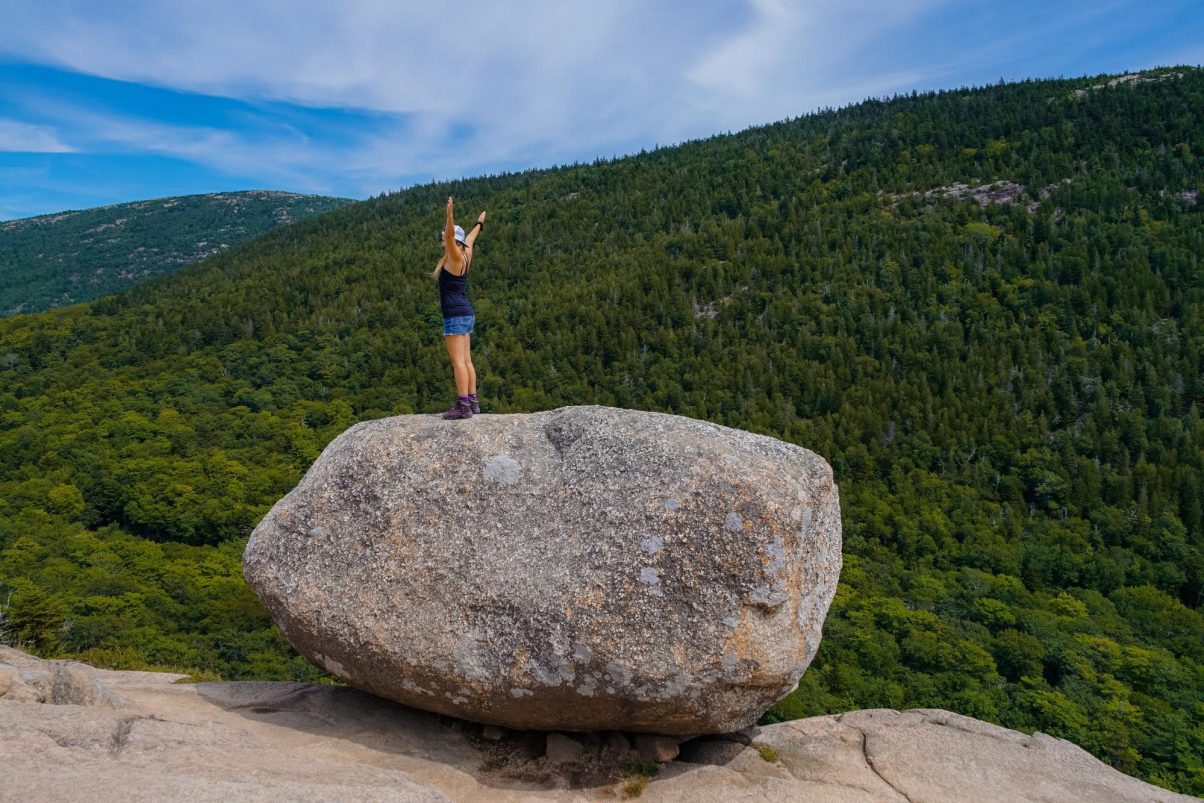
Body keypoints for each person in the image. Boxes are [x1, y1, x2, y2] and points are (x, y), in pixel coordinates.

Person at [432, 196, 486, 419]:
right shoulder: (467, 253)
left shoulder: (454, 257)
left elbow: (450, 235)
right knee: (467, 361)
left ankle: (463, 406)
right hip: (466, 312)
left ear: (453, 240)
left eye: (445, 238)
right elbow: (473, 236)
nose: (443, 241)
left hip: (454, 315)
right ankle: (472, 402)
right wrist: (480, 222)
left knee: (458, 363)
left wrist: (449, 215)